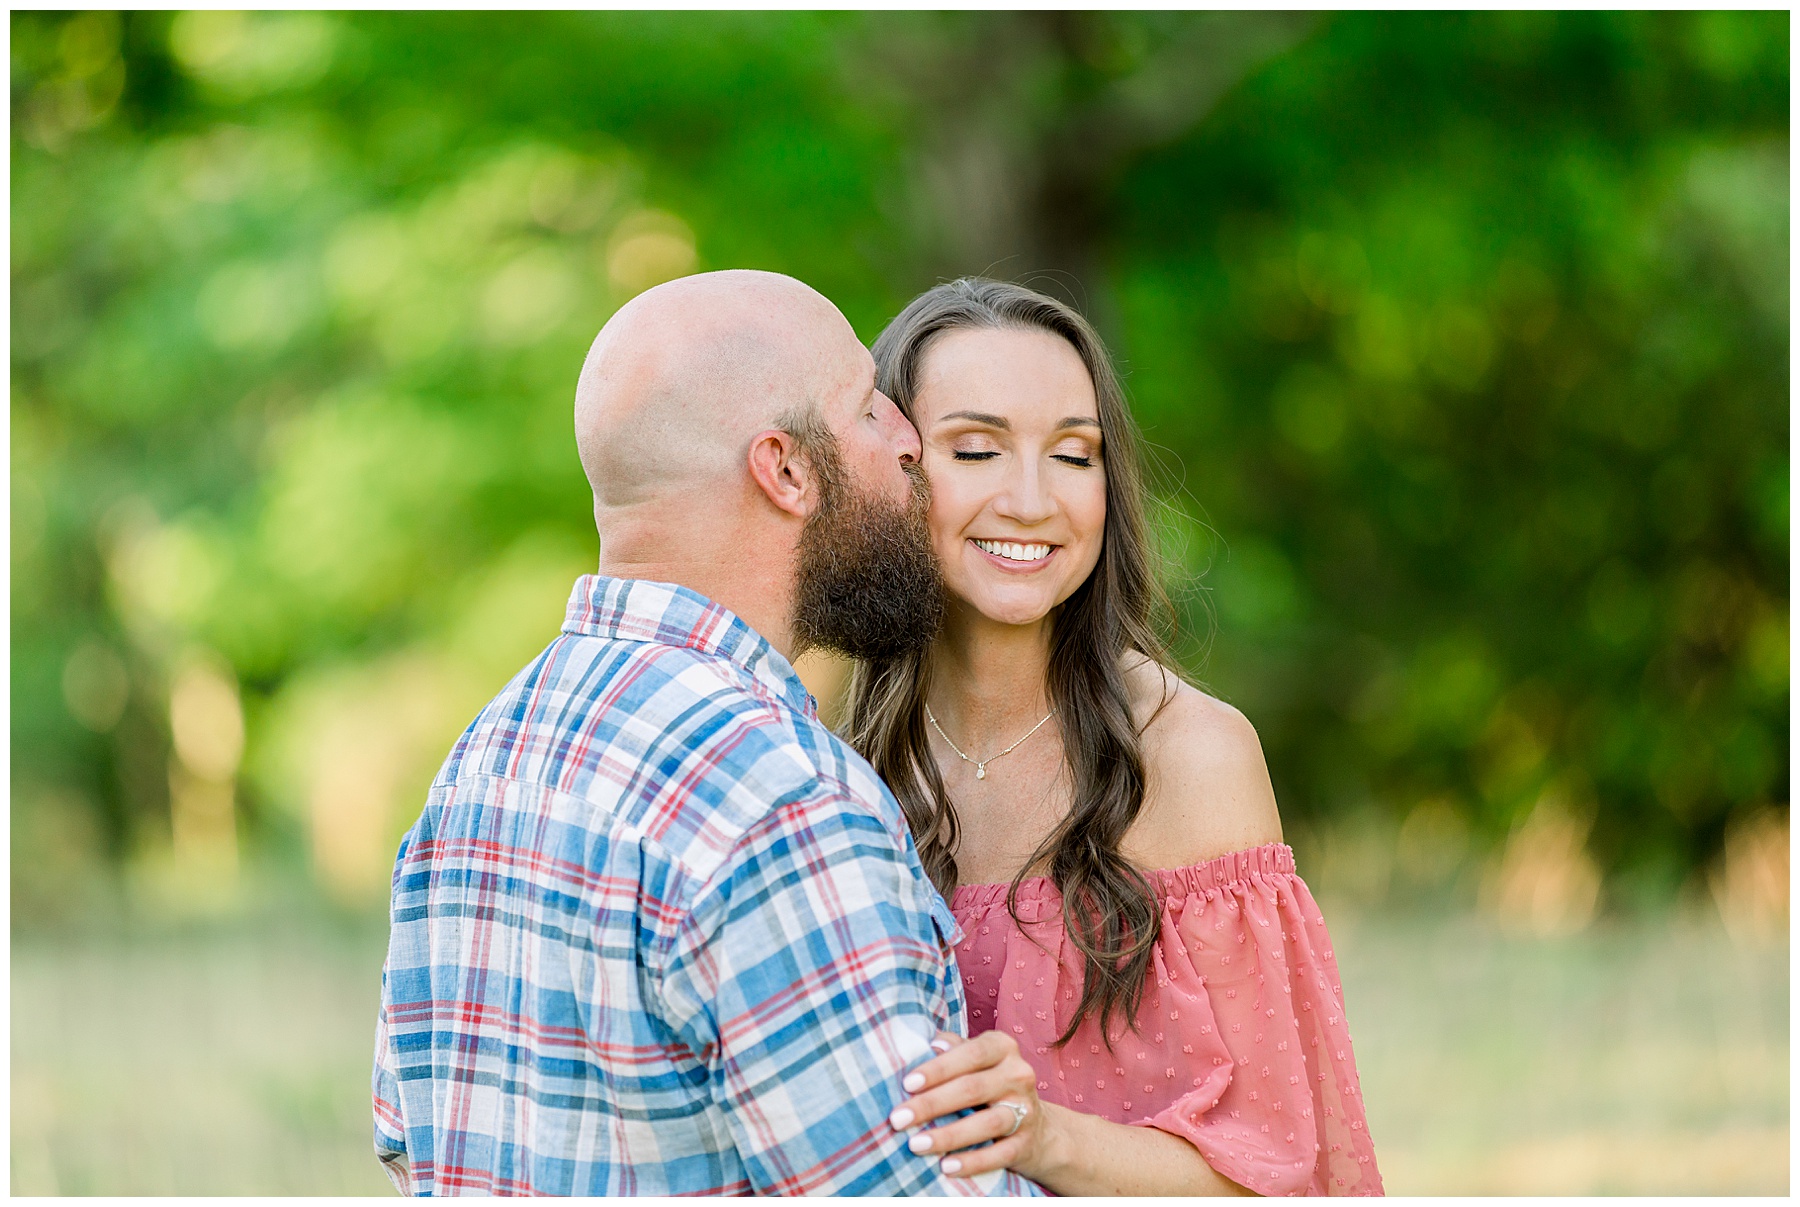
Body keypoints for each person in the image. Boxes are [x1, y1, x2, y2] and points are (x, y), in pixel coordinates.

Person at [370, 270, 1042, 1196]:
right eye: (869, 408)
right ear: (787, 470)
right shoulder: (783, 798)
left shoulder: (484, 762)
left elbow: (416, 1147)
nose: (910, 438)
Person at [841, 278, 1384, 1196]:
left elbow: (1281, 1178)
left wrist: (1045, 1137)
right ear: (890, 467)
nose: (1030, 498)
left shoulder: (1192, 757)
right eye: (975, 449)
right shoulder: (841, 766)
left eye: (1073, 455)